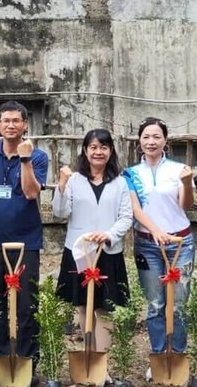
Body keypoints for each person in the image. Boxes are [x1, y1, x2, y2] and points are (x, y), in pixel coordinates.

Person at [53, 128, 165, 358]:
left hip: (108, 251)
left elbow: (126, 217)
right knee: (84, 304)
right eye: (93, 147)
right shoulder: (74, 180)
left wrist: (109, 234)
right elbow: (60, 212)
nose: (98, 152)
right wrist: (61, 187)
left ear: (110, 151)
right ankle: (87, 356)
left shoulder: (120, 182)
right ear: (85, 151)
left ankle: (100, 360)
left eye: (103, 147)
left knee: (106, 307)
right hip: (80, 251)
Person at [0, 101, 48, 387]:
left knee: (27, 303)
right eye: (6, 121)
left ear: (25, 124)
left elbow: (30, 193)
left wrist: (25, 160)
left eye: (16, 120)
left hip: (26, 240)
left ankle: (28, 360)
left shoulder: (37, 157)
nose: (11, 125)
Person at [122, 117, 195, 373]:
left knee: (179, 302)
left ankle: (177, 354)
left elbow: (186, 205)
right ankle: (157, 355)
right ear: (139, 141)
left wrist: (186, 183)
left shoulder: (179, 170)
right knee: (155, 304)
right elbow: (134, 209)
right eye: (146, 137)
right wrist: (155, 232)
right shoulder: (130, 174)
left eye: (156, 137)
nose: (151, 142)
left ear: (165, 140)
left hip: (180, 243)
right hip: (147, 245)